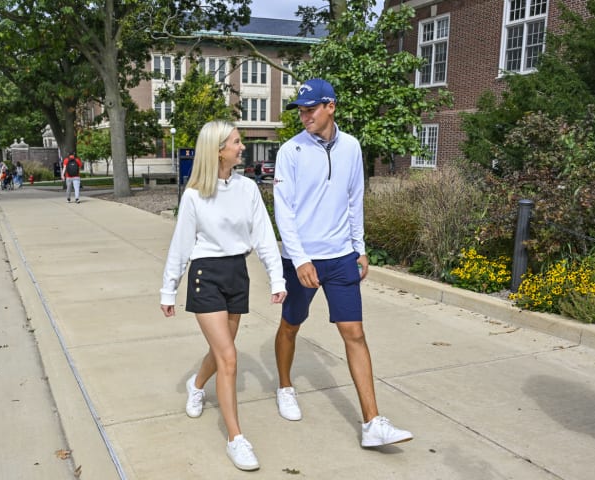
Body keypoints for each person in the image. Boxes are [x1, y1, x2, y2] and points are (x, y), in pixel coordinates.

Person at [273, 78, 413, 447]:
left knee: (354, 333)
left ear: (330, 106)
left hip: (340, 258)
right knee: (291, 325)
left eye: (311, 109)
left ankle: (373, 423)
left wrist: (359, 247)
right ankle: (285, 386)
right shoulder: (291, 151)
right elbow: (283, 211)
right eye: (301, 110)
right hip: (301, 259)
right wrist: (300, 259)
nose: (304, 116)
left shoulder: (351, 147)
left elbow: (355, 200)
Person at [160, 120, 287, 471]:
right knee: (229, 356)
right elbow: (181, 245)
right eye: (236, 141)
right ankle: (236, 438)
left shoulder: (247, 189)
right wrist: (168, 288)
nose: (241, 146)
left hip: (237, 274)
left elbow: (263, 236)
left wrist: (277, 280)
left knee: (221, 352)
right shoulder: (194, 195)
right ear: (218, 150)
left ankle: (196, 384)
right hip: (206, 275)